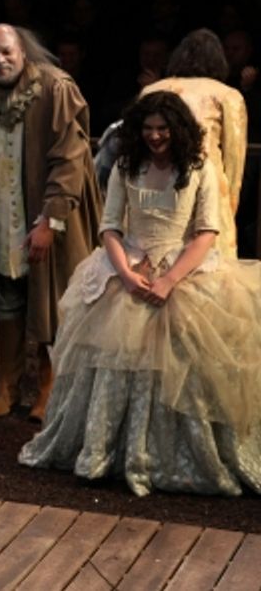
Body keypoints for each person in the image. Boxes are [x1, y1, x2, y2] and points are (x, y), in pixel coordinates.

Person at [20, 92, 261, 496]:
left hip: (183, 267)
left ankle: (171, 457)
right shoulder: (126, 165)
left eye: (162, 128)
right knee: (116, 356)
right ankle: (105, 451)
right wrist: (127, 275)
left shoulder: (198, 168)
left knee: (185, 356)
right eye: (148, 128)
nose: (155, 136)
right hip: (129, 263)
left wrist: (170, 280)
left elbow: (206, 232)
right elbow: (110, 226)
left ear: (177, 129)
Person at [0, 24, 101, 421]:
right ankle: (7, 386)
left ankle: (48, 387)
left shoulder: (54, 89)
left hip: (46, 218)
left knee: (49, 300)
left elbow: (70, 158)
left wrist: (50, 220)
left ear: (23, 52)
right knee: (5, 296)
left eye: (7, 52)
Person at [139, 28, 247, 259]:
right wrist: (228, 210)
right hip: (207, 187)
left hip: (153, 185)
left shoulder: (151, 90)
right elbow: (234, 157)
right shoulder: (227, 95)